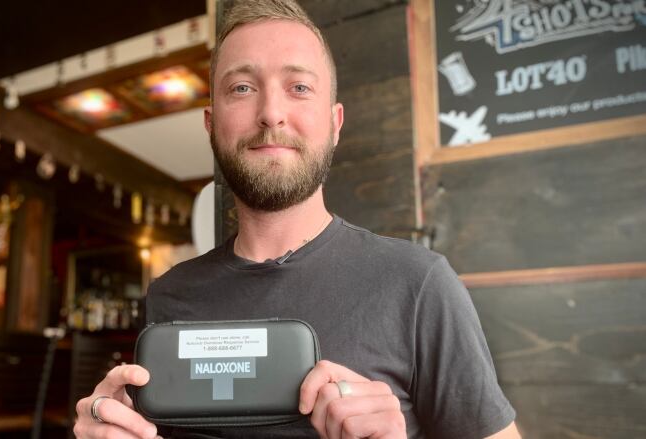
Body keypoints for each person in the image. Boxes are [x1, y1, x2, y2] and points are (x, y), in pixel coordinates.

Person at [74, 1, 520, 438]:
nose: (271, 113)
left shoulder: (419, 284)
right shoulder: (168, 296)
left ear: (334, 122)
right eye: (242, 88)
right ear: (211, 124)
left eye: (299, 88)